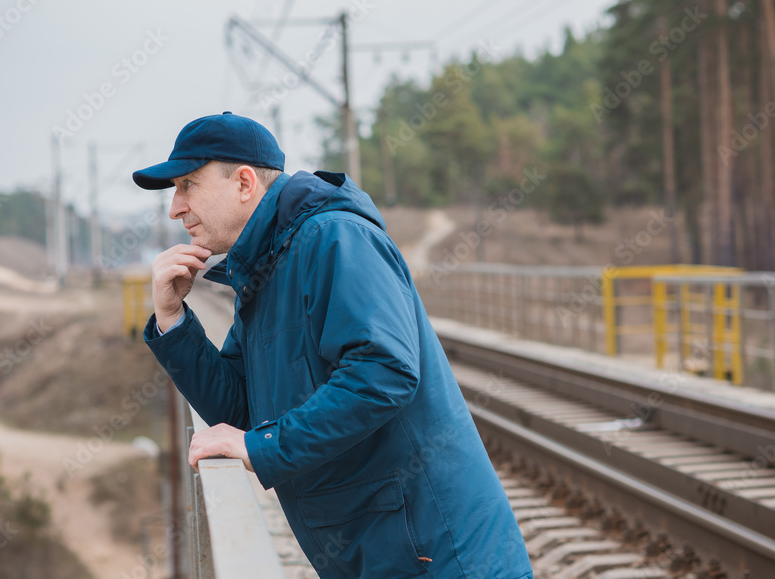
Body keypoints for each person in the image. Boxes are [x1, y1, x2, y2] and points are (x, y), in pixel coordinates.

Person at [133, 111, 532, 579]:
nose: (175, 207)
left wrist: (261, 447)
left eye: (186, 185)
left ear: (244, 183)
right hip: (381, 549)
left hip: (437, 555)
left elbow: (383, 373)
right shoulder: (266, 268)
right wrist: (173, 321)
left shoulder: (335, 238)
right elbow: (242, 407)